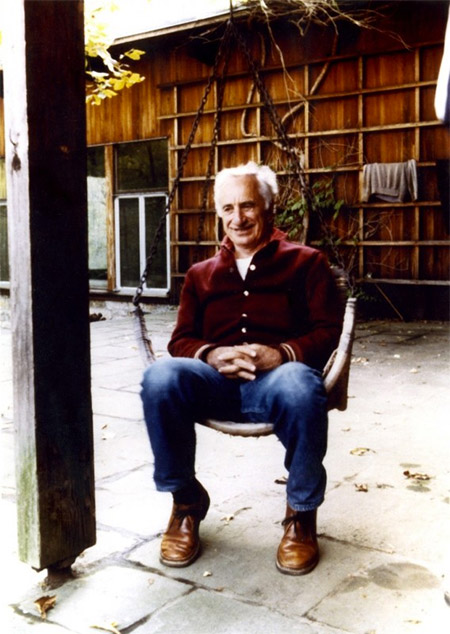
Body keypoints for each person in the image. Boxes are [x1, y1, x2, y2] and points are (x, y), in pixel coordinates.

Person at [140, 161, 343, 575]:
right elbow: (180, 339)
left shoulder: (307, 262)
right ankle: (186, 501)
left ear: (268, 208)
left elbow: (328, 331)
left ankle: (301, 515)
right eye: (228, 208)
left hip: (278, 383)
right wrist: (211, 354)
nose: (238, 218)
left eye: (248, 206)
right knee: (159, 377)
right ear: (219, 214)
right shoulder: (200, 274)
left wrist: (281, 353)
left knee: (300, 384)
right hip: (213, 384)